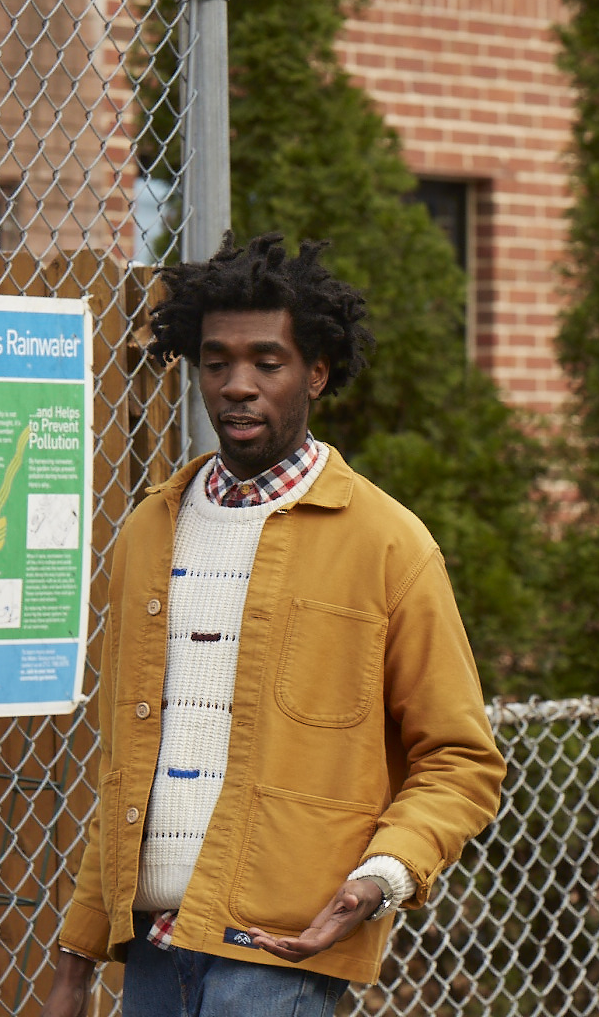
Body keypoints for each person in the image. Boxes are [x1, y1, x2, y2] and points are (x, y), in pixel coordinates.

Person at [42, 233, 505, 1017]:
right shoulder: (149, 532)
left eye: (267, 361)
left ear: (316, 373)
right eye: (216, 362)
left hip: (280, 957)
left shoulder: (389, 544)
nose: (237, 386)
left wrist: (380, 877)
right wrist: (77, 955)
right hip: (151, 950)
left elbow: (460, 758)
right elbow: (127, 764)